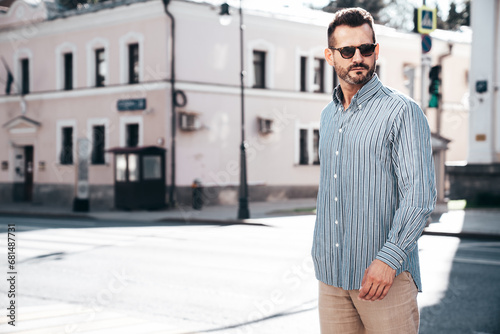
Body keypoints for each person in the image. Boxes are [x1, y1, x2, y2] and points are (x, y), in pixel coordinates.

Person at [311, 7, 436, 334]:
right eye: (347, 50)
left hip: (385, 279)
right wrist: (320, 254)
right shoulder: (328, 116)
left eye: (366, 49)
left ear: (376, 51)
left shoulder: (402, 112)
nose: (358, 58)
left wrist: (389, 259)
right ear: (330, 55)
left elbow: (419, 196)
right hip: (332, 281)